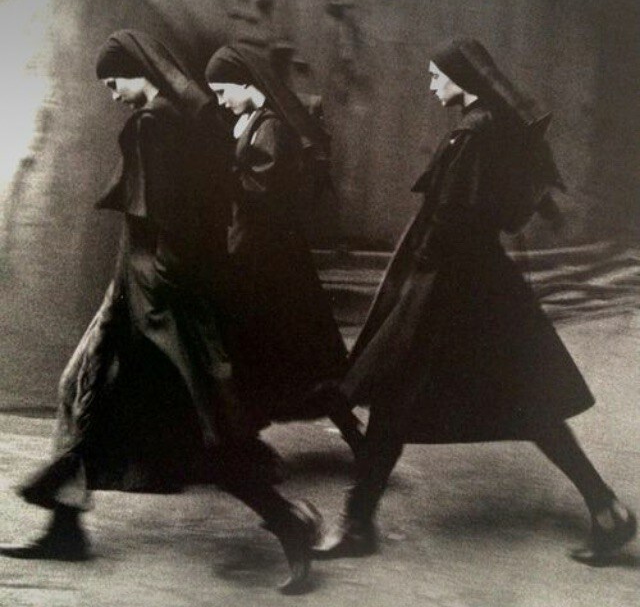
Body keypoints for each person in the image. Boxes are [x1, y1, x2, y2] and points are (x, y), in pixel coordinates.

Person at [1, 30, 321, 595]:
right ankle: (65, 528)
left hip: (156, 295)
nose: (112, 93)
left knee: (205, 421)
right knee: (82, 388)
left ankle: (287, 523)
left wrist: (160, 280)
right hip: (136, 288)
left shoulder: (156, 124)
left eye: (114, 81)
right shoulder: (178, 120)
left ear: (139, 71)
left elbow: (171, 216)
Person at [313, 37, 636, 565]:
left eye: (436, 75)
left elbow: (451, 221)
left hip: (449, 287)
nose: (431, 84)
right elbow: (499, 214)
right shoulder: (496, 127)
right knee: (527, 405)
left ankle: (358, 526)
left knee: (395, 397)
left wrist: (417, 281)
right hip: (482, 284)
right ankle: (607, 509)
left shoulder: (472, 134)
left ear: (461, 79)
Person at [204, 45, 363, 454]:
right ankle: (250, 438)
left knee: (286, 347)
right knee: (287, 349)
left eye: (223, 91)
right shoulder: (254, 122)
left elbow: (264, 190)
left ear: (245, 83)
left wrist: (222, 173)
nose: (221, 101)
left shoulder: (270, 127)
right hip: (263, 250)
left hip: (269, 256)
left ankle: (249, 440)